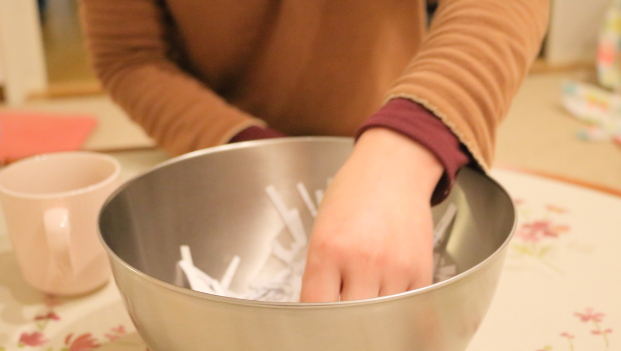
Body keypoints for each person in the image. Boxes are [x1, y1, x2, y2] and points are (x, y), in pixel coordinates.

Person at [80, 0, 549, 302]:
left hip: (399, 148)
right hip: (220, 171)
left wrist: (408, 143)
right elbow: (130, 58)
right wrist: (248, 149)